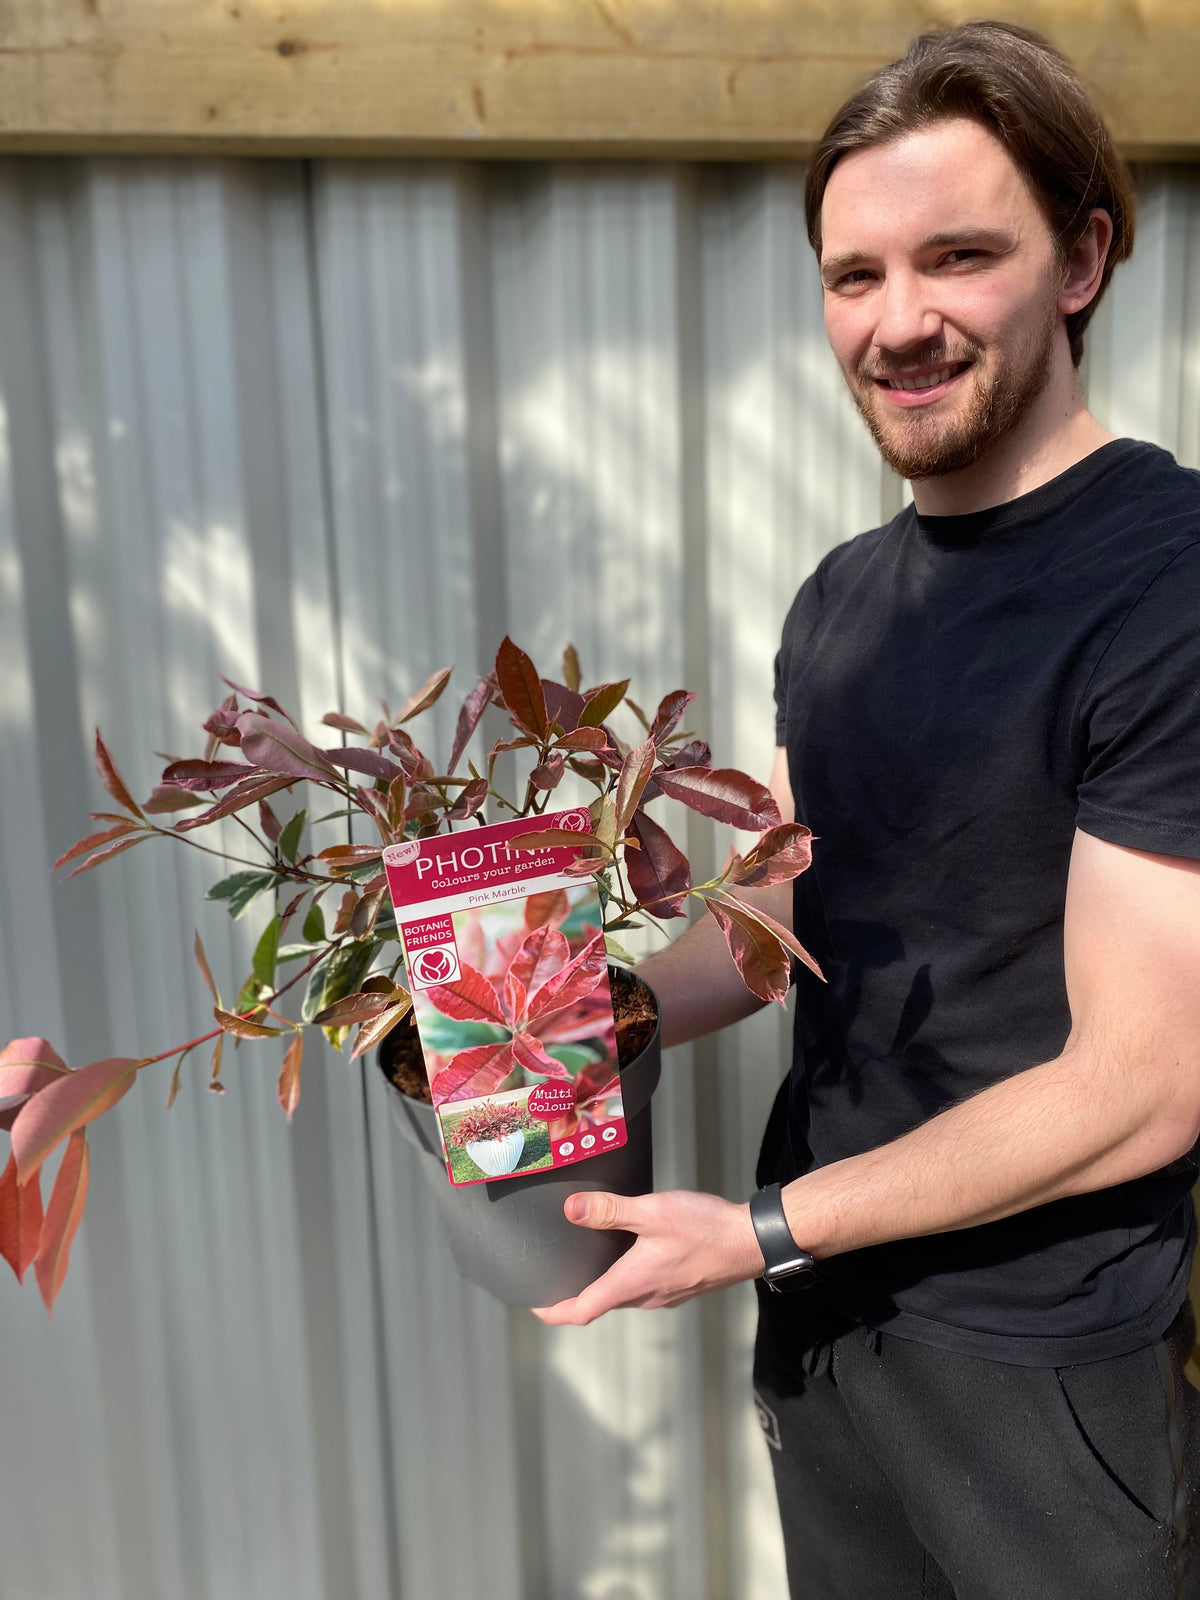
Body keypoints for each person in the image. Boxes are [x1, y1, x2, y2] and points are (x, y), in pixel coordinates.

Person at [534, 20, 1200, 1598]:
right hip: (834, 1339)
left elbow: (1145, 1084)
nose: (899, 323)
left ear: (1081, 258)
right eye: (854, 276)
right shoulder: (843, 599)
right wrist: (549, 1015)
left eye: (959, 257)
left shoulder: (1165, 585)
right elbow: (781, 919)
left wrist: (765, 1228)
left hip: (1039, 1370)